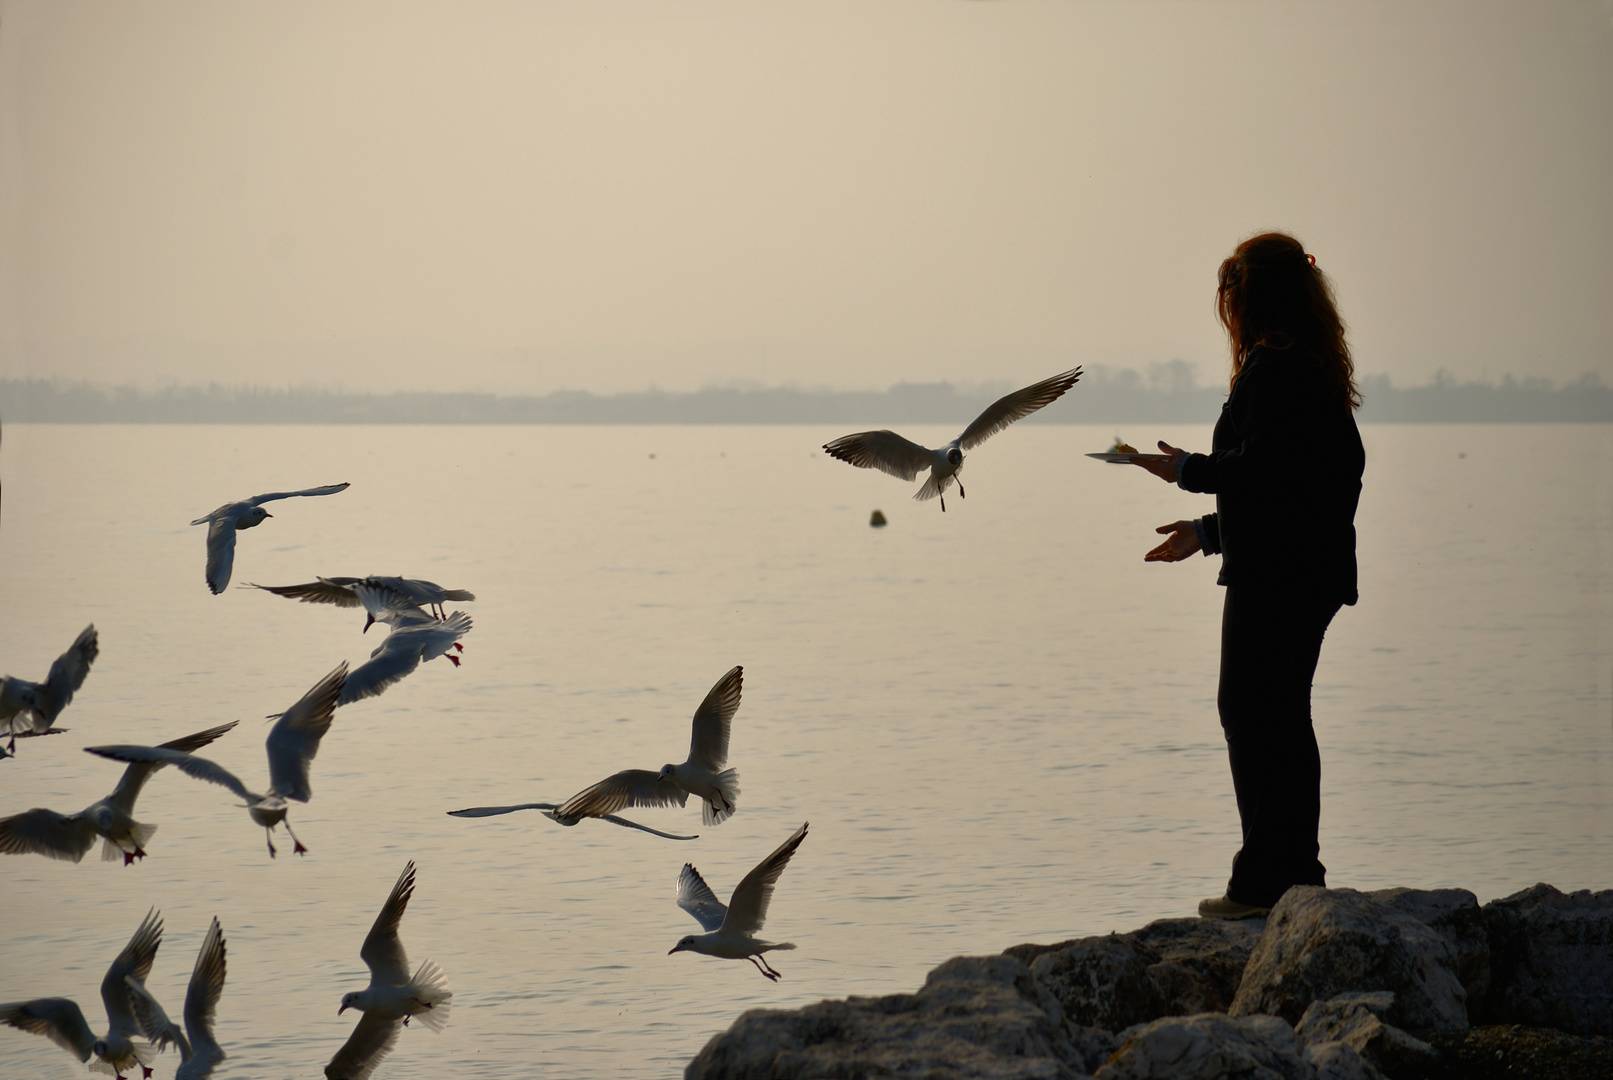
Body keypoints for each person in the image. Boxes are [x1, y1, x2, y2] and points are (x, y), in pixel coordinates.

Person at [1132, 232, 1365, 919]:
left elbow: (1262, 472)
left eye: (1227, 288)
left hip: (1280, 573)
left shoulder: (1273, 366)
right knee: (1280, 714)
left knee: (1253, 711)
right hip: (1304, 566)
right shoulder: (1307, 365)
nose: (1222, 303)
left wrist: (1184, 472)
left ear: (1248, 295)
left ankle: (1264, 883)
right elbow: (1294, 484)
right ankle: (1295, 875)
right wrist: (1208, 533)